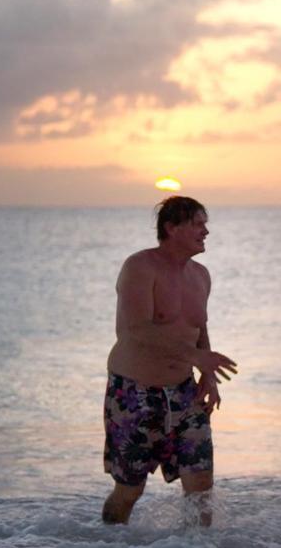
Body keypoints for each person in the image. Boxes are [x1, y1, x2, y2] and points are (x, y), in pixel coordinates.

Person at [102, 195, 237, 526]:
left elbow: (197, 326)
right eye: (198, 224)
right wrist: (196, 357)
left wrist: (208, 374)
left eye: (206, 224)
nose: (206, 231)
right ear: (172, 227)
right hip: (134, 392)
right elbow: (135, 330)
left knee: (201, 486)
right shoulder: (140, 267)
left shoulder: (201, 275)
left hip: (184, 394)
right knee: (129, 490)